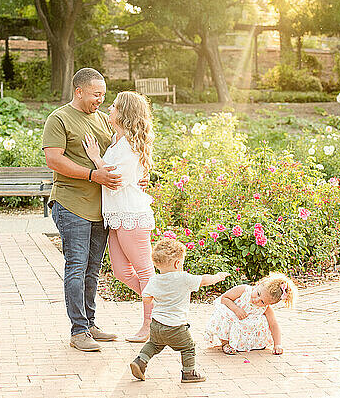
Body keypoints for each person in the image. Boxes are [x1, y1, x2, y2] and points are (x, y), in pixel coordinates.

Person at [43, 68, 147, 352]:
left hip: (103, 208)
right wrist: (92, 176)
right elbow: (54, 159)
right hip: (72, 204)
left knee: (93, 269)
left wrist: (138, 176)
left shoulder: (104, 120)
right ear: (79, 91)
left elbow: (125, 152)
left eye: (103, 94)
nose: (101, 99)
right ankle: (78, 331)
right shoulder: (59, 119)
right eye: (96, 94)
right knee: (76, 267)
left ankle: (89, 323)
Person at [81, 91, 155, 343]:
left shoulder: (128, 146)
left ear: (124, 113)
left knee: (145, 273)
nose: (108, 109)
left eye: (113, 106)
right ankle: (160, 303)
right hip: (116, 217)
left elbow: (116, 181)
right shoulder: (116, 139)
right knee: (123, 273)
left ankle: (150, 325)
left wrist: (95, 158)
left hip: (132, 215)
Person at [129, 238, 230, 383]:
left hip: (156, 325)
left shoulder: (154, 280)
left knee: (154, 344)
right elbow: (203, 280)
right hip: (175, 326)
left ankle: (140, 362)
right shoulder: (184, 278)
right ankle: (189, 373)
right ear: (177, 263)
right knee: (188, 347)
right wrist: (218, 277)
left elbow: (146, 299)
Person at [204, 272, 297, 355]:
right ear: (259, 284)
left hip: (244, 324)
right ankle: (225, 343)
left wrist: (278, 344)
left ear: (269, 304)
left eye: (262, 302)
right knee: (225, 315)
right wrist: (236, 309)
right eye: (258, 294)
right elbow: (224, 298)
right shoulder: (243, 290)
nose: (256, 300)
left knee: (264, 320)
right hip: (232, 313)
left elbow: (274, 325)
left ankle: (250, 343)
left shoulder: (266, 309)